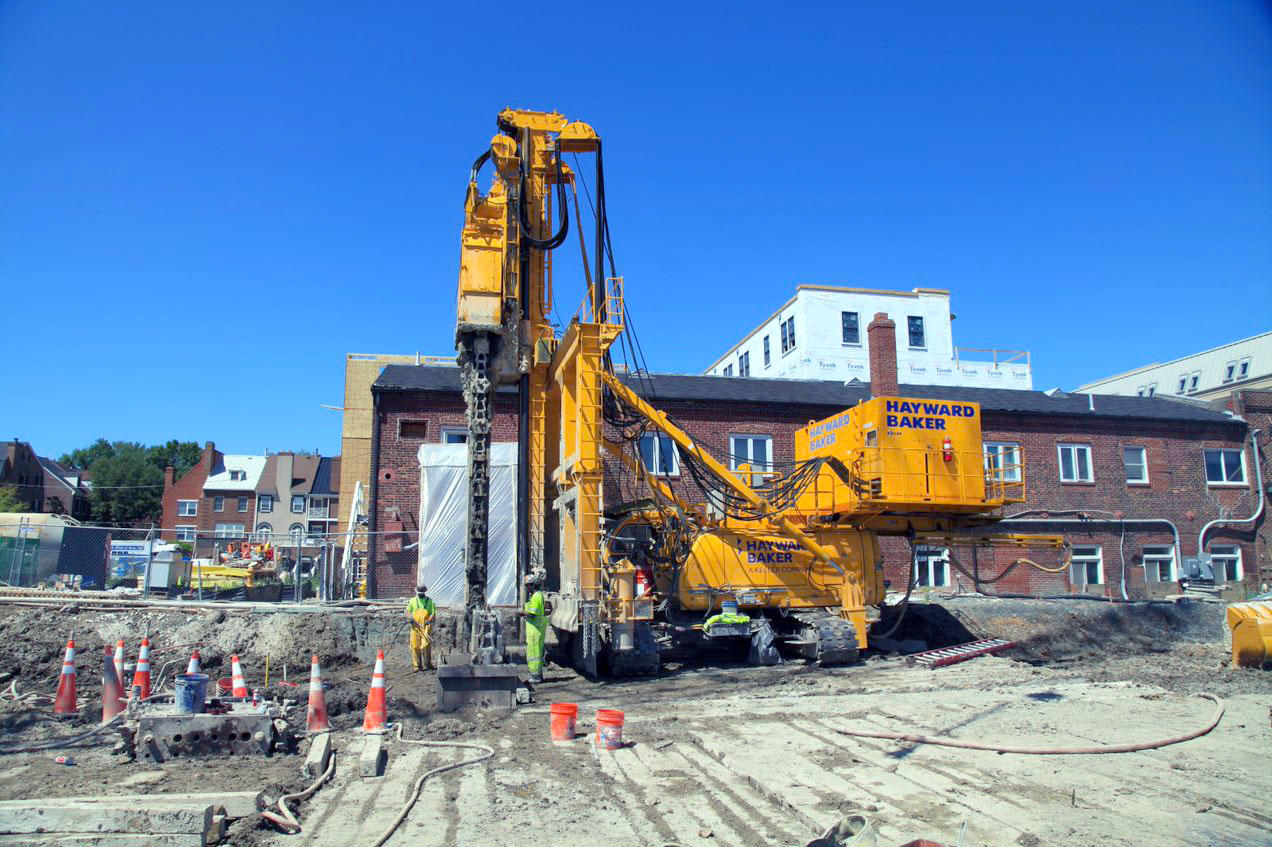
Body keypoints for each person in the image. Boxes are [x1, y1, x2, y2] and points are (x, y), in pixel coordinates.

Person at [518, 575, 548, 683]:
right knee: (536, 653)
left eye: (528, 585)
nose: (527, 588)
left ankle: (535, 676)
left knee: (534, 653)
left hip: (535, 630)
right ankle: (538, 674)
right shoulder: (535, 596)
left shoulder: (536, 596)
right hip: (535, 629)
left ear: (533, 585)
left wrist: (521, 612)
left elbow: (533, 614)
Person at [406, 582, 436, 671]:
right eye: (419, 593)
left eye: (422, 594)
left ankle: (428, 663)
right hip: (415, 626)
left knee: (425, 644)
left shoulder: (430, 601)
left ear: (424, 592)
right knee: (415, 645)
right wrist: (410, 618)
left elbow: (433, 613)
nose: (420, 595)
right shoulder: (413, 601)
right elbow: (407, 611)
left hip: (426, 625)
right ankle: (417, 666)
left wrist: (429, 620)